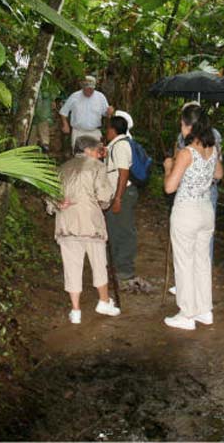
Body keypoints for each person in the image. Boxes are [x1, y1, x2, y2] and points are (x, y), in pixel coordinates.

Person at [162, 104, 224, 330]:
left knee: (184, 262)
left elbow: (170, 187)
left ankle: (186, 314)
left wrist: (169, 166)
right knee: (201, 261)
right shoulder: (211, 148)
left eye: (182, 123)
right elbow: (218, 173)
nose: (181, 127)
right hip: (206, 210)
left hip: (186, 211)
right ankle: (204, 310)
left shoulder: (186, 153)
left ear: (188, 126)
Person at [49, 136, 122, 324]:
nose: (99, 153)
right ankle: (104, 302)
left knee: (71, 266)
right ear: (88, 150)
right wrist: (104, 202)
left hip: (66, 224)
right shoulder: (96, 166)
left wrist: (58, 204)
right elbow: (105, 196)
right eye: (97, 149)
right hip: (90, 224)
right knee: (99, 263)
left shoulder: (61, 169)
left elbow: (49, 197)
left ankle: (75, 311)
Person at [104, 115, 139, 284]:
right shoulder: (116, 145)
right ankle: (115, 266)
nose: (106, 132)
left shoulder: (121, 146)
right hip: (116, 194)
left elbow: (123, 173)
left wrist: (118, 198)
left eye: (108, 129)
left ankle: (125, 269)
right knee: (114, 229)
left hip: (122, 194)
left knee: (124, 231)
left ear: (113, 130)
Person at [59, 75, 113, 152]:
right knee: (79, 156)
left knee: (95, 156)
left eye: (91, 89)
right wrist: (65, 124)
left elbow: (107, 114)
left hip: (94, 132)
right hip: (78, 132)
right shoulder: (74, 96)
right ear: (83, 87)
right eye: (87, 89)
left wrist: (109, 112)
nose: (89, 91)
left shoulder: (100, 97)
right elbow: (63, 112)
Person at [28, 82, 59, 153]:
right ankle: (36, 150)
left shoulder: (48, 90)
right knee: (34, 136)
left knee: (39, 133)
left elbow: (53, 104)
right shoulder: (45, 91)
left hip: (41, 117)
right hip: (36, 117)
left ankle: (42, 146)